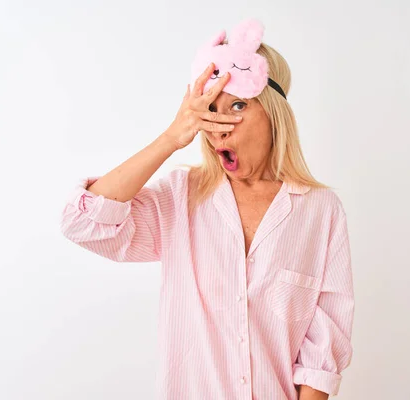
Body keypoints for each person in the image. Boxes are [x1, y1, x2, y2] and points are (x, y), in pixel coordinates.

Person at [60, 19, 354, 400]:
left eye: (237, 105)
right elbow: (82, 223)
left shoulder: (320, 212)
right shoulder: (181, 198)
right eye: (209, 111)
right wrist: (171, 137)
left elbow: (322, 349)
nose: (219, 126)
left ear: (273, 111)